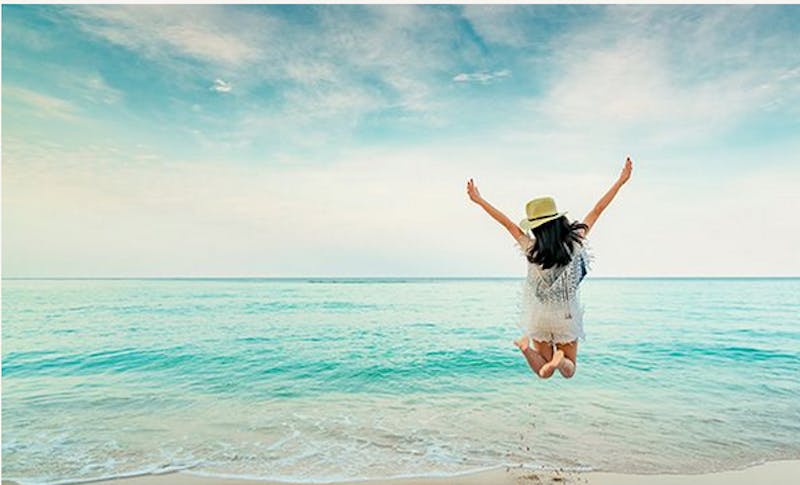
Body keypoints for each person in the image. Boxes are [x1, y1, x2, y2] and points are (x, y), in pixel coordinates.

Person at [466, 157, 633, 379]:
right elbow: (597, 209)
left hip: (539, 316)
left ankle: (526, 348)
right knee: (568, 370)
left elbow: (506, 223)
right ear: (557, 220)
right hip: (565, 316)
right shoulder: (574, 243)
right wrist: (621, 181)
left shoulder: (531, 248)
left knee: (543, 373)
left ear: (535, 227)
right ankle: (560, 359)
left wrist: (479, 200)